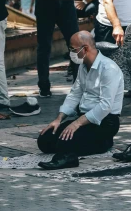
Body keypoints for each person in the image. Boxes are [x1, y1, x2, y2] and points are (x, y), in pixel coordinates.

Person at [37, 31, 123, 170]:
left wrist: (76, 124)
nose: (71, 53)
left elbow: (105, 106)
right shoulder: (83, 67)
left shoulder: (109, 68)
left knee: (64, 142)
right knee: (45, 140)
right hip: (84, 119)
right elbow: (74, 94)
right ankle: (97, 142)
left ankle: (98, 144)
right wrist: (59, 119)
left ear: (86, 48)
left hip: (105, 121)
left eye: (73, 49)